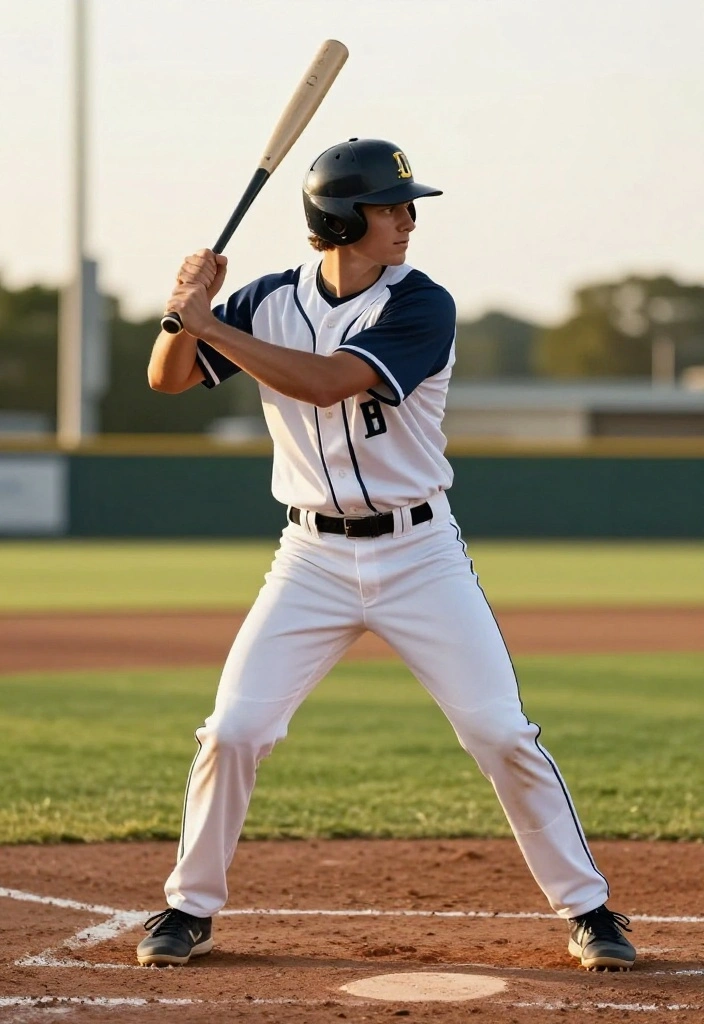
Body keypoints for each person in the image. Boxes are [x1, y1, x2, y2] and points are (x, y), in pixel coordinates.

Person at [136, 138, 636, 972]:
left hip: (420, 554)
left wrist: (211, 322)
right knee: (234, 730)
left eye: (408, 206)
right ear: (339, 220)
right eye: (389, 206)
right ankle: (188, 908)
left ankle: (588, 909)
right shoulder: (266, 300)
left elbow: (327, 381)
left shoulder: (422, 304)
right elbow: (167, 378)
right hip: (310, 558)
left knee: (499, 731)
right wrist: (182, 310)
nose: (407, 220)